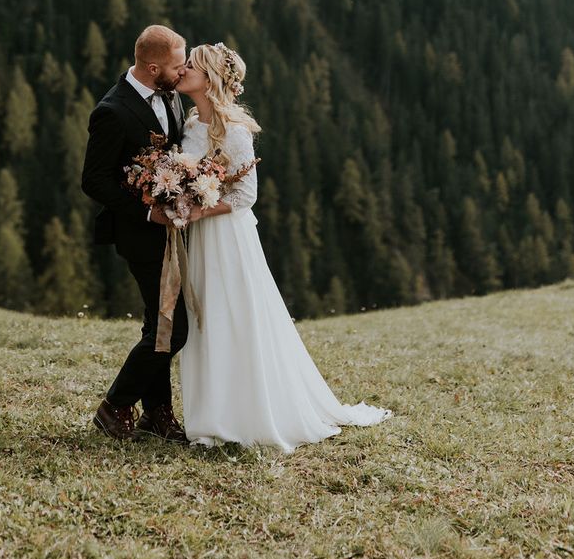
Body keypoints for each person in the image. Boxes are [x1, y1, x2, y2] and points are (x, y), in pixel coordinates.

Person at [176, 43, 392, 452]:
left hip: (226, 238)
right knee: (204, 318)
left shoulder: (234, 130)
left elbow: (246, 195)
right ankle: (210, 418)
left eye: (192, 64)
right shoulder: (189, 126)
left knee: (233, 317)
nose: (183, 68)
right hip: (200, 239)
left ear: (209, 79)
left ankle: (246, 416)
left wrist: (202, 210)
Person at [81, 24, 189, 442]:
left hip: (173, 233)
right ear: (153, 66)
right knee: (172, 329)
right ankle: (115, 405)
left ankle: (157, 412)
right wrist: (148, 213)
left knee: (157, 325)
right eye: (178, 66)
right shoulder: (113, 111)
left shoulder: (172, 95)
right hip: (140, 235)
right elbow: (94, 180)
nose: (183, 72)